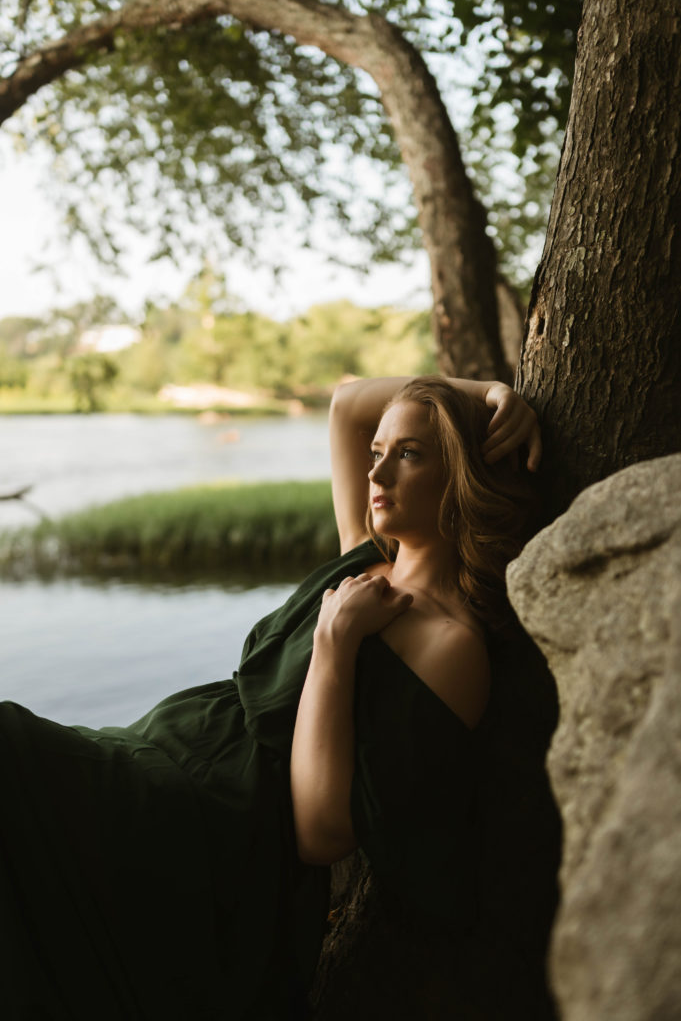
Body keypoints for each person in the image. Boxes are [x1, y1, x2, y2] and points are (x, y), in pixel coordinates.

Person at [0, 375, 540, 1021]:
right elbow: (345, 404)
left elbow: (318, 830)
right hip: (156, 755)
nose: (378, 473)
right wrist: (484, 393)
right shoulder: (363, 560)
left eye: (409, 455)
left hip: (210, 832)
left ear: (460, 475)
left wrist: (334, 646)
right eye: (377, 454)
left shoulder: (450, 646)